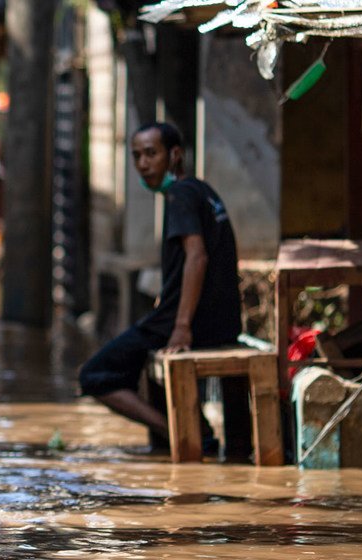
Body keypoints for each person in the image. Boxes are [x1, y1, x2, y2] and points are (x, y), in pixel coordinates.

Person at [77, 123, 248, 459]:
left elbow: (197, 257)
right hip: (223, 321)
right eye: (137, 156)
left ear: (175, 155)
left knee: (94, 374)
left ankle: (179, 429)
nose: (143, 163)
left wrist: (182, 325)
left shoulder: (180, 196)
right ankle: (188, 434)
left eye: (151, 154)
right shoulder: (202, 190)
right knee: (139, 357)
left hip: (191, 323)